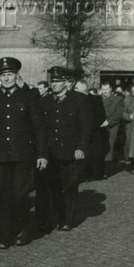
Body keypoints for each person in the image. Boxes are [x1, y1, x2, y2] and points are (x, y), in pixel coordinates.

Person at [0, 57, 47, 250]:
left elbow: (39, 128)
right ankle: (3, 237)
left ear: (17, 75)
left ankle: (22, 229)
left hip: (22, 156)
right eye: (3, 75)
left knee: (19, 197)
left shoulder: (29, 97)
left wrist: (41, 154)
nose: (6, 78)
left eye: (10, 75)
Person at [35, 67, 92, 232]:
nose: (54, 84)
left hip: (70, 152)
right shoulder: (45, 101)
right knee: (51, 186)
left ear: (67, 83)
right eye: (52, 81)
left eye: (58, 81)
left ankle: (67, 219)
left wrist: (81, 147)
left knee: (69, 187)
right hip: (50, 153)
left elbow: (85, 127)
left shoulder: (79, 100)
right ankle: (53, 217)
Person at [74, 79, 108, 181]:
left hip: (93, 132)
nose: (74, 90)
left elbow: (101, 116)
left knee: (93, 154)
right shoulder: (74, 100)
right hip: (78, 132)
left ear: (84, 88)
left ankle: (94, 174)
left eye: (76, 88)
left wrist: (89, 126)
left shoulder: (96, 99)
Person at [100, 82, 124, 164]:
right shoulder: (98, 99)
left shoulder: (117, 99)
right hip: (99, 126)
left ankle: (106, 167)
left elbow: (118, 114)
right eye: (103, 89)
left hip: (111, 126)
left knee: (109, 147)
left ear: (110, 89)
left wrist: (108, 122)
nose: (105, 91)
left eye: (106, 89)